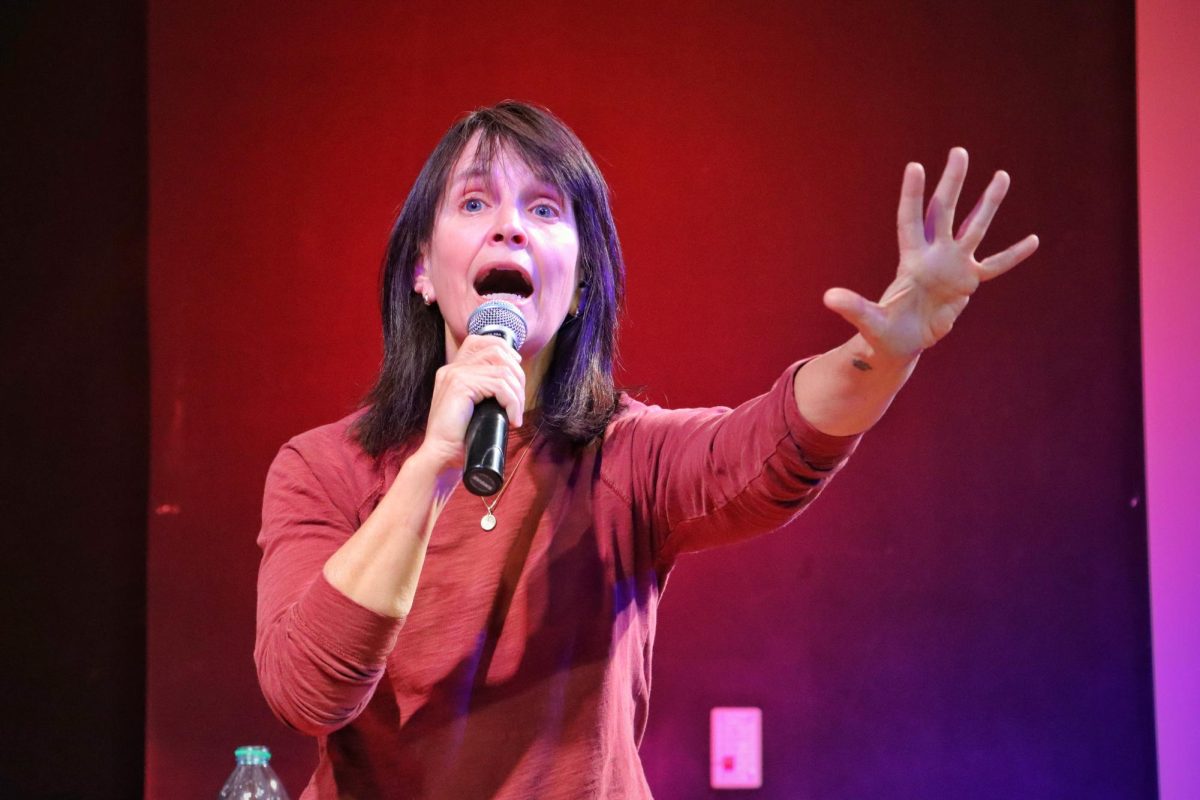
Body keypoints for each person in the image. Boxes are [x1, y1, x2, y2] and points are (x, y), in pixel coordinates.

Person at [254, 101, 1038, 799]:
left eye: (545, 207)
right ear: (423, 272)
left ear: (582, 280)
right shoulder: (323, 469)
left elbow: (770, 445)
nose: (510, 225)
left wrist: (887, 353)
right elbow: (307, 693)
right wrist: (432, 466)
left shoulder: (624, 458)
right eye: (474, 201)